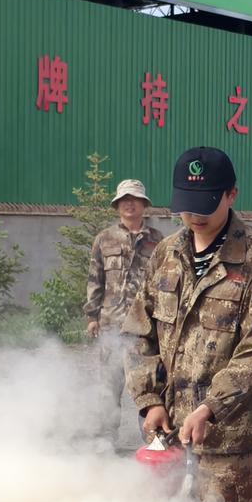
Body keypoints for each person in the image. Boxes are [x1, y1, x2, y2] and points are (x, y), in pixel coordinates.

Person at [123, 146, 252, 502]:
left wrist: (211, 407)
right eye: (187, 205)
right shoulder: (166, 254)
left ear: (231, 194)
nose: (195, 215)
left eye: (206, 204)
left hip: (226, 438)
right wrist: (150, 400)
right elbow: (140, 332)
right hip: (168, 434)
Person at [84, 178, 164, 420]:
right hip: (111, 326)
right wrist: (92, 316)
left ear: (144, 204)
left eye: (135, 199)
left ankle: (152, 437)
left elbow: (164, 284)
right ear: (117, 205)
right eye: (125, 200)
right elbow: (95, 278)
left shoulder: (158, 240)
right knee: (108, 388)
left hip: (144, 328)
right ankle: (105, 438)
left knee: (149, 388)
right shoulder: (104, 238)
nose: (130, 204)